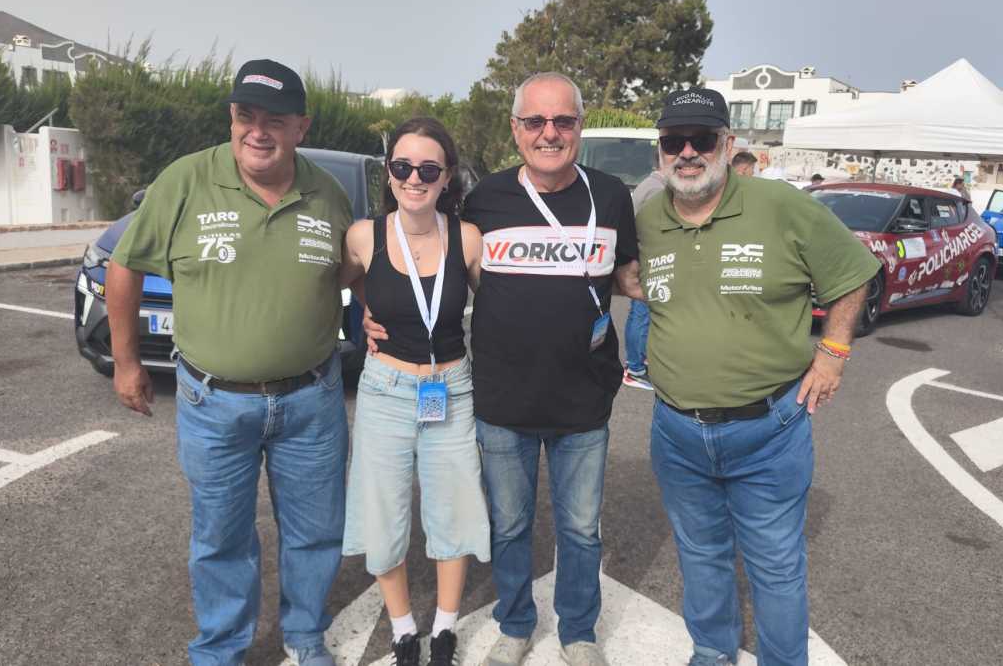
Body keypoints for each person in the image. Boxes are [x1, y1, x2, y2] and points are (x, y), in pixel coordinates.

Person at [366, 72, 639, 666]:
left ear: (580, 126)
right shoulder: (484, 200)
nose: (549, 133)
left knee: (581, 529)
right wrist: (371, 309)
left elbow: (628, 275)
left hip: (583, 397)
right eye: (535, 121)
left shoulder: (612, 196)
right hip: (502, 397)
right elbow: (428, 255)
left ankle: (579, 633)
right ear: (516, 129)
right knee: (510, 527)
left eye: (563, 121)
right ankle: (515, 625)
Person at [106, 59, 351, 666]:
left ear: (301, 126)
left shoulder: (328, 193)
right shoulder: (185, 180)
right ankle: (221, 648)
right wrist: (126, 362)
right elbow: (124, 267)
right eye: (246, 115)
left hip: (312, 400)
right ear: (232, 117)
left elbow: (354, 274)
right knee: (221, 537)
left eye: (276, 120)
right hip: (213, 402)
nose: (258, 131)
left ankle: (304, 635)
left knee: (316, 532)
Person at [635, 88, 879, 666]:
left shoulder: (780, 205)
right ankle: (712, 651)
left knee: (775, 565)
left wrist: (834, 352)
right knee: (700, 555)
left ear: (728, 143)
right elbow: (627, 275)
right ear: (660, 150)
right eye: (674, 141)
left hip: (768, 432)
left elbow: (853, 273)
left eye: (702, 139)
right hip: (677, 431)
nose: (687, 152)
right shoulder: (647, 218)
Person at [338, 117, 489, 666]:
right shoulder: (364, 236)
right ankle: (403, 630)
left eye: (429, 169)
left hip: (451, 388)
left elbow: (498, 310)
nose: (414, 178)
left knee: (455, 508)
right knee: (383, 512)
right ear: (389, 172)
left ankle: (444, 627)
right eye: (403, 167)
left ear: (447, 177)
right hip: (385, 388)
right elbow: (338, 282)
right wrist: (367, 307)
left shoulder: (467, 238)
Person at [623, 157, 667, 391]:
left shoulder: (650, 184)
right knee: (641, 314)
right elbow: (654, 229)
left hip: (643, 256)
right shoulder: (656, 189)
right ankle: (635, 368)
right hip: (646, 257)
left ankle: (638, 362)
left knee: (641, 313)